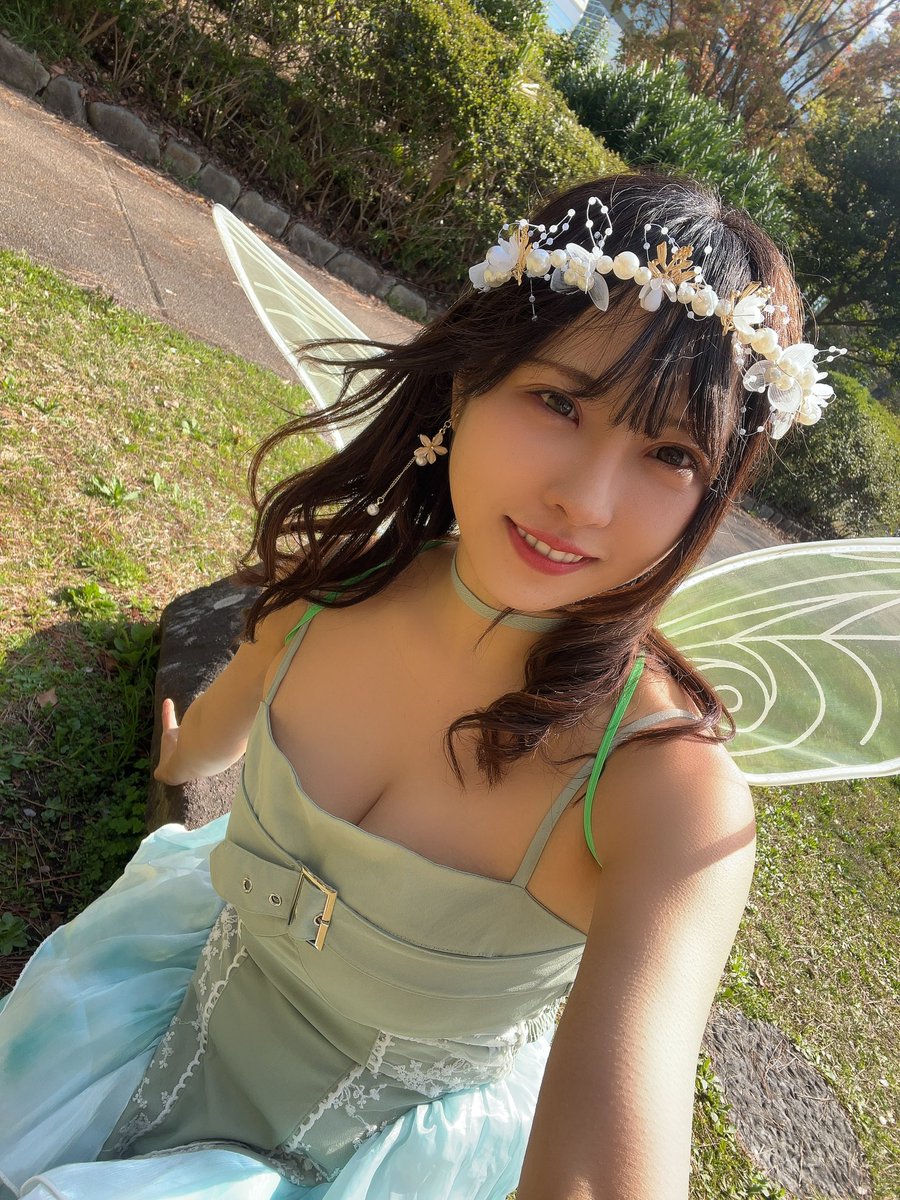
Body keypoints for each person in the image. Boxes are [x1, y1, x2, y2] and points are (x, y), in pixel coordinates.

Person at [0, 171, 838, 1200]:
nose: (585, 501)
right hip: (152, 1026)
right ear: (465, 380)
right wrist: (185, 755)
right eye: (559, 402)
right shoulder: (338, 585)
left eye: (669, 454)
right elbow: (225, 716)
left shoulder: (667, 797)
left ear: (708, 499)